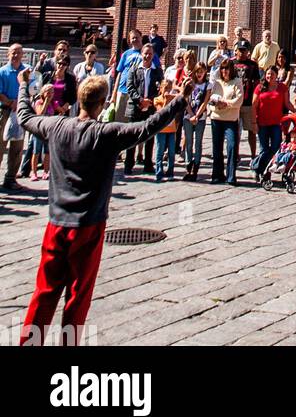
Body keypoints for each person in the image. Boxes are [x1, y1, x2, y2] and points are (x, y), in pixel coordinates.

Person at [16, 70, 189, 346]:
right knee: (77, 297)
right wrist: (180, 100)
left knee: (44, 293)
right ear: (101, 104)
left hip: (56, 224)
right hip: (88, 226)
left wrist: (24, 87)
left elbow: (24, 116)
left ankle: (28, 344)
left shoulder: (56, 127)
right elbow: (146, 128)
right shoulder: (105, 134)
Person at [121, 43, 162, 175]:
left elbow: (160, 88)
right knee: (132, 136)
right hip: (135, 107)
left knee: (149, 137)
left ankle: (148, 163)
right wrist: (139, 100)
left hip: (150, 107)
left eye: (150, 53)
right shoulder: (134, 68)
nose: (147, 56)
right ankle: (129, 164)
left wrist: (149, 101)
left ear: (153, 55)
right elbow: (130, 86)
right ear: (141, 54)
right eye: (145, 53)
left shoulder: (157, 71)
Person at [208, 58, 243, 185]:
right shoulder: (216, 83)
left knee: (232, 146)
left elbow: (238, 101)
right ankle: (217, 175)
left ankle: (231, 176)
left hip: (231, 120)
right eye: (222, 68)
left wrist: (225, 104)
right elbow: (210, 100)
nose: (224, 71)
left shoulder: (237, 82)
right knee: (217, 148)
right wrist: (217, 104)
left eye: (227, 68)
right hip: (216, 118)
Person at [252, 66, 289, 181]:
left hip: (276, 124)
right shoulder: (260, 87)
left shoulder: (282, 88)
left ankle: (262, 170)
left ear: (277, 75)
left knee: (275, 149)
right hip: (262, 123)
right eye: (268, 74)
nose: (269, 76)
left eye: (272, 74)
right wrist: (254, 122)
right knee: (264, 150)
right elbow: (254, 106)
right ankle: (258, 168)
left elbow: (287, 104)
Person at [0, 42, 25, 187]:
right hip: (4, 110)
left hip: (19, 112)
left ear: (22, 55)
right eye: (13, 52)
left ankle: (10, 178)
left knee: (17, 146)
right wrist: (10, 102)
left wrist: (20, 103)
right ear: (8, 54)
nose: (16, 55)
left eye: (18, 52)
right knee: (0, 145)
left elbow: (31, 88)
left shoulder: (26, 72)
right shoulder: (2, 71)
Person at [182, 62, 210, 181]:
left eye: (202, 71)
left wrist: (197, 115)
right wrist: (191, 114)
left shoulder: (207, 85)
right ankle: (188, 166)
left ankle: (196, 167)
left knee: (198, 143)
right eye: (198, 71)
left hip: (200, 117)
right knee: (188, 141)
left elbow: (205, 101)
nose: (199, 74)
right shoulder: (190, 83)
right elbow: (186, 98)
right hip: (188, 116)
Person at [234, 44, 261, 166]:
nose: (242, 53)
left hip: (248, 102)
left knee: (251, 130)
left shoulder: (253, 65)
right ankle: (236, 154)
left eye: (244, 51)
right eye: (240, 50)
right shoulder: (231, 63)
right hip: (235, 103)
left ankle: (253, 155)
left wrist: (256, 100)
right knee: (235, 131)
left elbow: (257, 83)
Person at [152, 76, 179, 182]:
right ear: (161, 89)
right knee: (160, 151)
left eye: (169, 88)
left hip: (172, 129)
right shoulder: (157, 99)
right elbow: (161, 112)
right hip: (161, 129)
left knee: (171, 152)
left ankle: (170, 171)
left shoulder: (173, 98)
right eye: (165, 88)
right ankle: (159, 172)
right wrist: (166, 101)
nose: (167, 91)